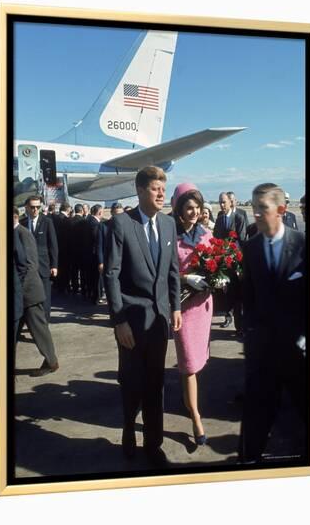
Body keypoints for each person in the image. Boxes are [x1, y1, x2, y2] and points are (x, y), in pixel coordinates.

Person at [104, 166, 182, 467]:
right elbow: (111, 274)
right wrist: (119, 320)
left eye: (164, 187)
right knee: (132, 382)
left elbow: (173, 270)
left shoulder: (168, 224)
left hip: (160, 320)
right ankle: (128, 429)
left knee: (155, 383)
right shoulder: (121, 224)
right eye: (155, 188)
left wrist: (175, 306)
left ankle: (154, 442)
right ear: (139, 191)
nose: (162, 193)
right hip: (131, 322)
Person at [239, 183, 307, 463]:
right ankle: (247, 464)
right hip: (263, 351)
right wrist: (251, 337)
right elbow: (249, 297)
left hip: (298, 353)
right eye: (253, 208)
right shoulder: (251, 249)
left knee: (307, 412)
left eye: (262, 209)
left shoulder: (304, 245)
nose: (255, 214)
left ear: (280, 210)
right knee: (256, 415)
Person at [172, 183, 213, 445]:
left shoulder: (206, 234)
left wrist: (217, 278)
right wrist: (186, 278)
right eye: (189, 208)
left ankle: (190, 401)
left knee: (198, 361)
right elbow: (165, 271)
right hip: (184, 308)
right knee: (188, 364)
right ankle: (196, 417)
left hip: (204, 306)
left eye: (197, 208)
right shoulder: (170, 236)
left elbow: (217, 263)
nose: (194, 212)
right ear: (178, 209)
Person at [14, 207, 59, 376]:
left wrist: (19, 291)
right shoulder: (20, 231)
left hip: (28, 294)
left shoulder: (22, 233)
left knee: (39, 330)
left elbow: (28, 265)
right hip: (22, 293)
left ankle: (51, 361)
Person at [20, 195, 58, 322]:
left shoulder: (47, 222)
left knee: (45, 297)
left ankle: (44, 323)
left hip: (43, 266)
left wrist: (54, 265)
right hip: (26, 267)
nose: (35, 210)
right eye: (32, 207)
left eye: (38, 207)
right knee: (28, 297)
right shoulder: (23, 223)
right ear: (26, 207)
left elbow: (53, 245)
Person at [213, 192, 247, 334]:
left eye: (224, 202)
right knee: (226, 293)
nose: (222, 205)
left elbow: (242, 239)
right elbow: (215, 237)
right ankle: (228, 317)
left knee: (238, 294)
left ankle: (240, 326)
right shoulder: (219, 219)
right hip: (223, 262)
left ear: (230, 202)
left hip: (236, 262)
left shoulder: (238, 218)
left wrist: (232, 253)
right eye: (220, 202)